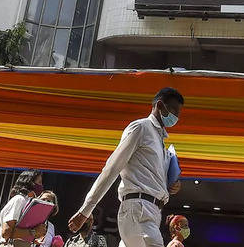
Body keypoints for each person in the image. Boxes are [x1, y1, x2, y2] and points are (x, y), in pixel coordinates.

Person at [68, 87, 185, 247]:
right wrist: (85, 210)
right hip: (138, 208)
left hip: (151, 211)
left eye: (178, 112)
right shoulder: (140, 128)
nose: (176, 116)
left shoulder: (161, 142)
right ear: (159, 105)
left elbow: (155, 179)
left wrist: (172, 185)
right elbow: (112, 168)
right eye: (173, 110)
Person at [0, 170, 49, 246]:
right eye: (39, 182)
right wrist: (33, 231)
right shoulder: (19, 200)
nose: (41, 186)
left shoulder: (29, 202)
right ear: (30, 183)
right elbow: (6, 233)